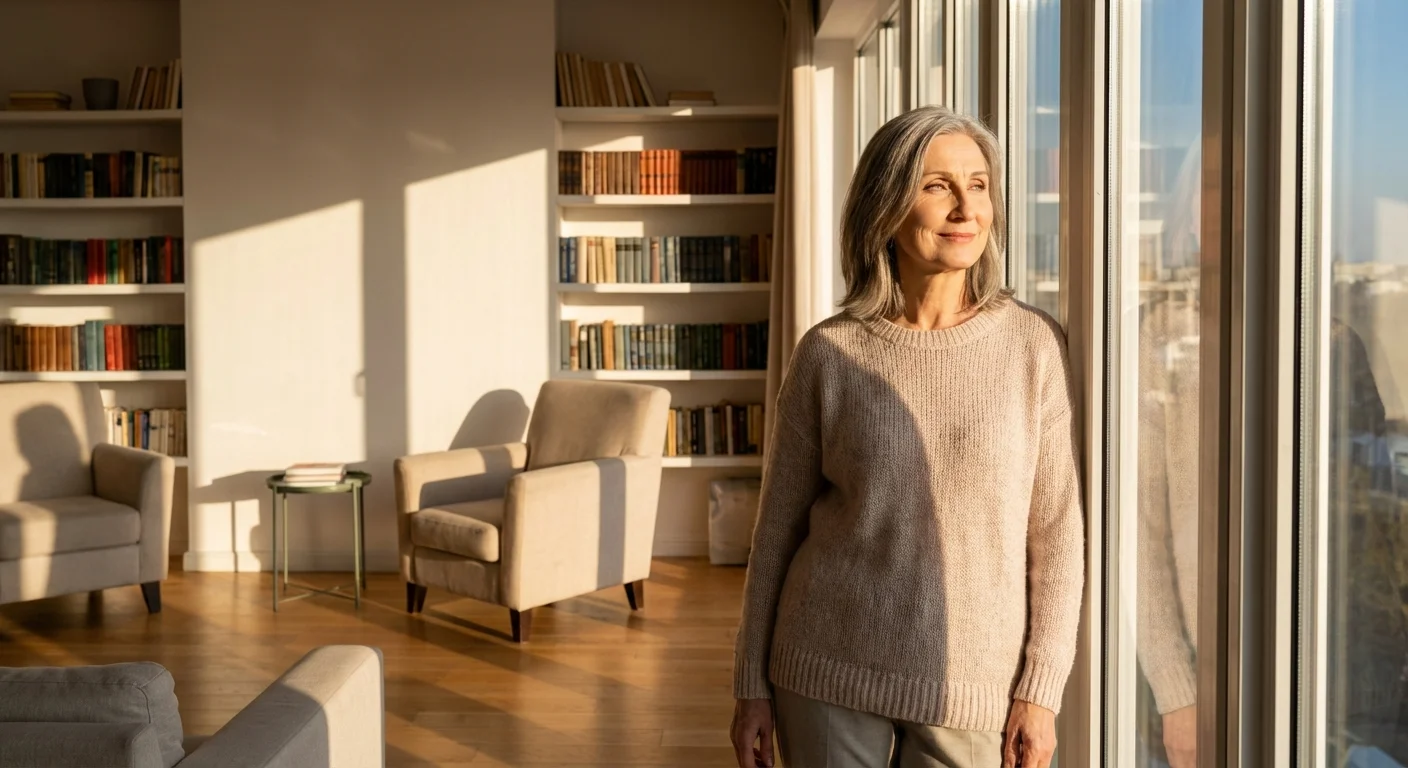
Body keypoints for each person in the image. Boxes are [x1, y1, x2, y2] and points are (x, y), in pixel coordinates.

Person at [730, 105, 1086, 768]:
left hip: (972, 685)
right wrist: (750, 682)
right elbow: (777, 529)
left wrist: (1041, 692)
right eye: (937, 186)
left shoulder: (1032, 344)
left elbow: (1057, 533)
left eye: (978, 185)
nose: (966, 208)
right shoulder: (830, 352)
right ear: (886, 207)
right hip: (825, 666)